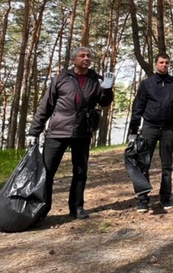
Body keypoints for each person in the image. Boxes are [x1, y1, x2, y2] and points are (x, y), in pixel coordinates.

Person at [26, 47, 115, 220]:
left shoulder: (96, 80)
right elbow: (46, 106)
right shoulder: (60, 79)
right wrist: (33, 132)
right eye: (82, 56)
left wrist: (107, 89)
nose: (86, 58)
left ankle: (77, 208)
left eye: (89, 56)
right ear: (73, 60)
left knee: (80, 171)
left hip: (82, 132)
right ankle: (41, 211)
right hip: (58, 131)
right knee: (47, 172)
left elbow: (104, 102)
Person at [125, 53, 173, 213]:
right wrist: (133, 130)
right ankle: (143, 199)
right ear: (155, 64)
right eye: (161, 62)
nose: (164, 65)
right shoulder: (147, 84)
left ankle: (165, 198)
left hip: (168, 127)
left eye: (167, 63)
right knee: (143, 163)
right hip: (150, 127)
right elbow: (138, 106)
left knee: (167, 165)